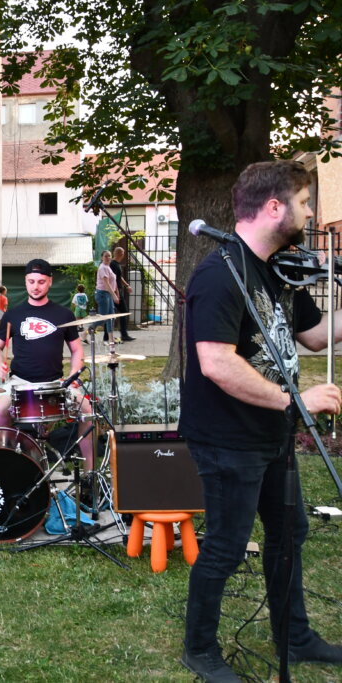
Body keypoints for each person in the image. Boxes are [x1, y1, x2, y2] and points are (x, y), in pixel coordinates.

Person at [179, 160, 342, 682]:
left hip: (272, 433)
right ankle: (199, 649)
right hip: (227, 437)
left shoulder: (278, 269)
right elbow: (216, 362)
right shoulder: (219, 274)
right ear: (275, 207)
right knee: (226, 546)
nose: (310, 212)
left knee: (289, 532)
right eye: (304, 202)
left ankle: (295, 636)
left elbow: (315, 336)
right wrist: (295, 402)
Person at [0, 259, 95, 468]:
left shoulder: (64, 314)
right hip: (20, 382)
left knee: (86, 409)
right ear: (25, 281)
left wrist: (74, 374)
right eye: (31, 281)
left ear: (50, 282)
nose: (35, 287)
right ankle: (2, 466)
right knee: (0, 409)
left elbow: (77, 350)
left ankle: (89, 472)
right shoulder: (13, 314)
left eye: (41, 281)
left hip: (56, 382)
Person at [92, 250, 119, 341]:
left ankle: (111, 339)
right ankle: (85, 333)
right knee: (102, 318)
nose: (108, 258)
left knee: (111, 317)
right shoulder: (103, 268)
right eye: (106, 256)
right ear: (102, 257)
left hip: (108, 294)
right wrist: (114, 295)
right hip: (103, 294)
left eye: (109, 256)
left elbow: (113, 282)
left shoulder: (107, 267)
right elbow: (106, 284)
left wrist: (115, 293)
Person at [111, 247, 135, 342]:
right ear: (120, 254)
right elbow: (113, 279)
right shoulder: (113, 264)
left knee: (115, 313)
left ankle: (121, 334)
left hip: (117, 291)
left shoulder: (116, 264)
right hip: (116, 292)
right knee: (122, 312)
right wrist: (116, 293)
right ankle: (123, 334)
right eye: (123, 254)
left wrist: (127, 285)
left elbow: (119, 277)